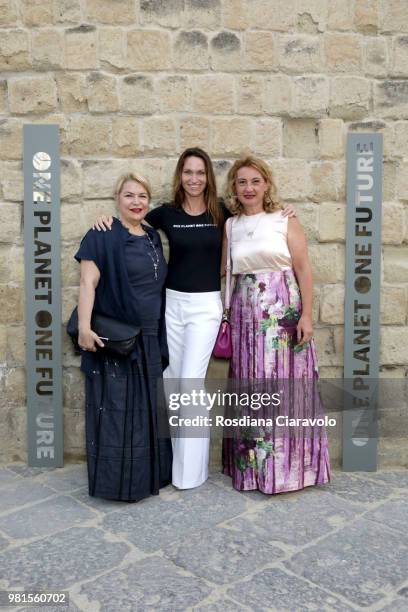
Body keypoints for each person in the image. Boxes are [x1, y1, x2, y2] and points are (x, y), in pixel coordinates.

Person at [92, 148, 295, 490]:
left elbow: (255, 214)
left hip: (205, 306)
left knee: (190, 384)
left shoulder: (222, 212)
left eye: (200, 173)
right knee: (173, 382)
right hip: (171, 304)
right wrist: (106, 222)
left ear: (208, 178)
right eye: (188, 172)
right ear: (180, 176)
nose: (194, 178)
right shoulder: (166, 214)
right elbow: (133, 220)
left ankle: (188, 477)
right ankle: (183, 466)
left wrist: (286, 211)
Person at [221, 155, 331, 494]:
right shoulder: (231, 225)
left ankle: (288, 470)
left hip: (283, 315)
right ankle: (252, 471)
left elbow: (303, 269)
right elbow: (226, 272)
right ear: (234, 189)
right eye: (242, 182)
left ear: (266, 184)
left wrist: (308, 316)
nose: (249, 188)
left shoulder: (284, 220)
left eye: (255, 181)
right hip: (244, 317)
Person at [75, 173, 172, 501]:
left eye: (142, 196)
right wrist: (85, 328)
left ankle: (148, 477)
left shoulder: (151, 236)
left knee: (147, 410)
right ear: (118, 199)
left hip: (150, 335)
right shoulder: (101, 235)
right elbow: (88, 282)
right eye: (129, 195)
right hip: (120, 337)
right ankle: (119, 483)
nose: (136, 202)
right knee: (119, 410)